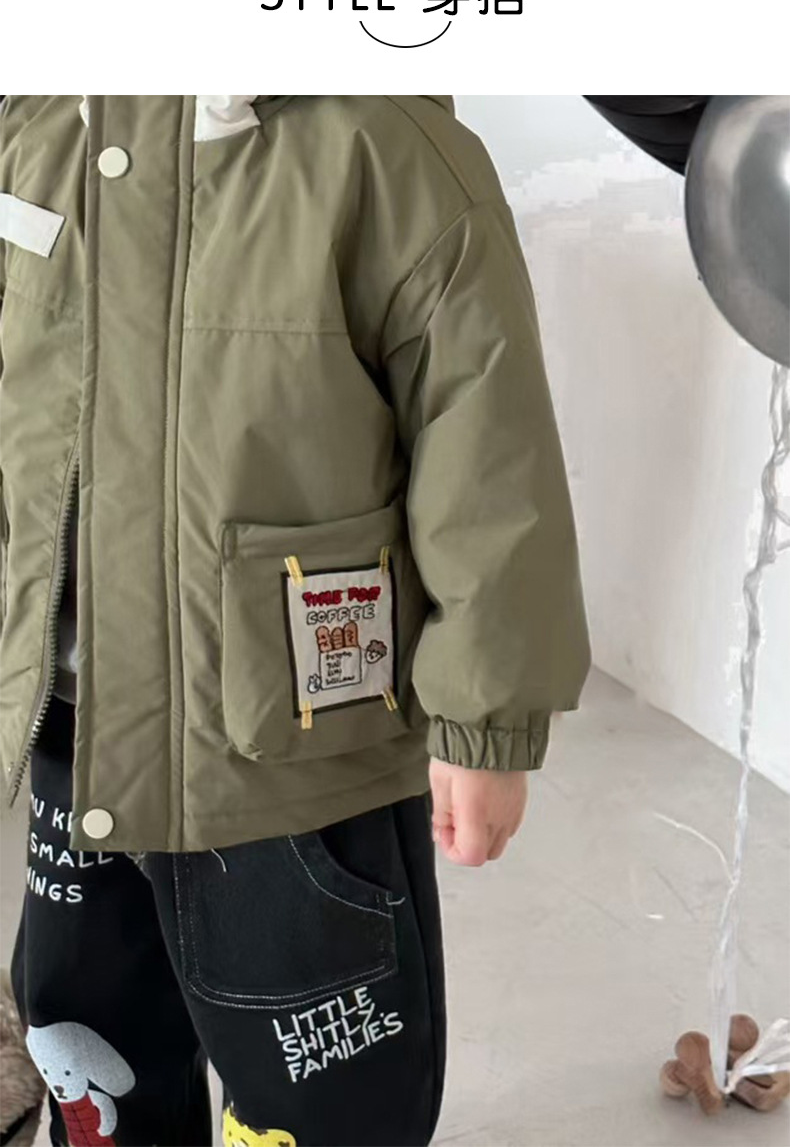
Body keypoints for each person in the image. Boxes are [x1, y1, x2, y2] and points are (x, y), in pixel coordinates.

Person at [0, 95, 590, 1146]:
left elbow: (487, 449)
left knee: (326, 1079)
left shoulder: (380, 145)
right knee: (89, 1034)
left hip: (294, 752)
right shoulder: (37, 126)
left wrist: (485, 721)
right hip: (75, 726)